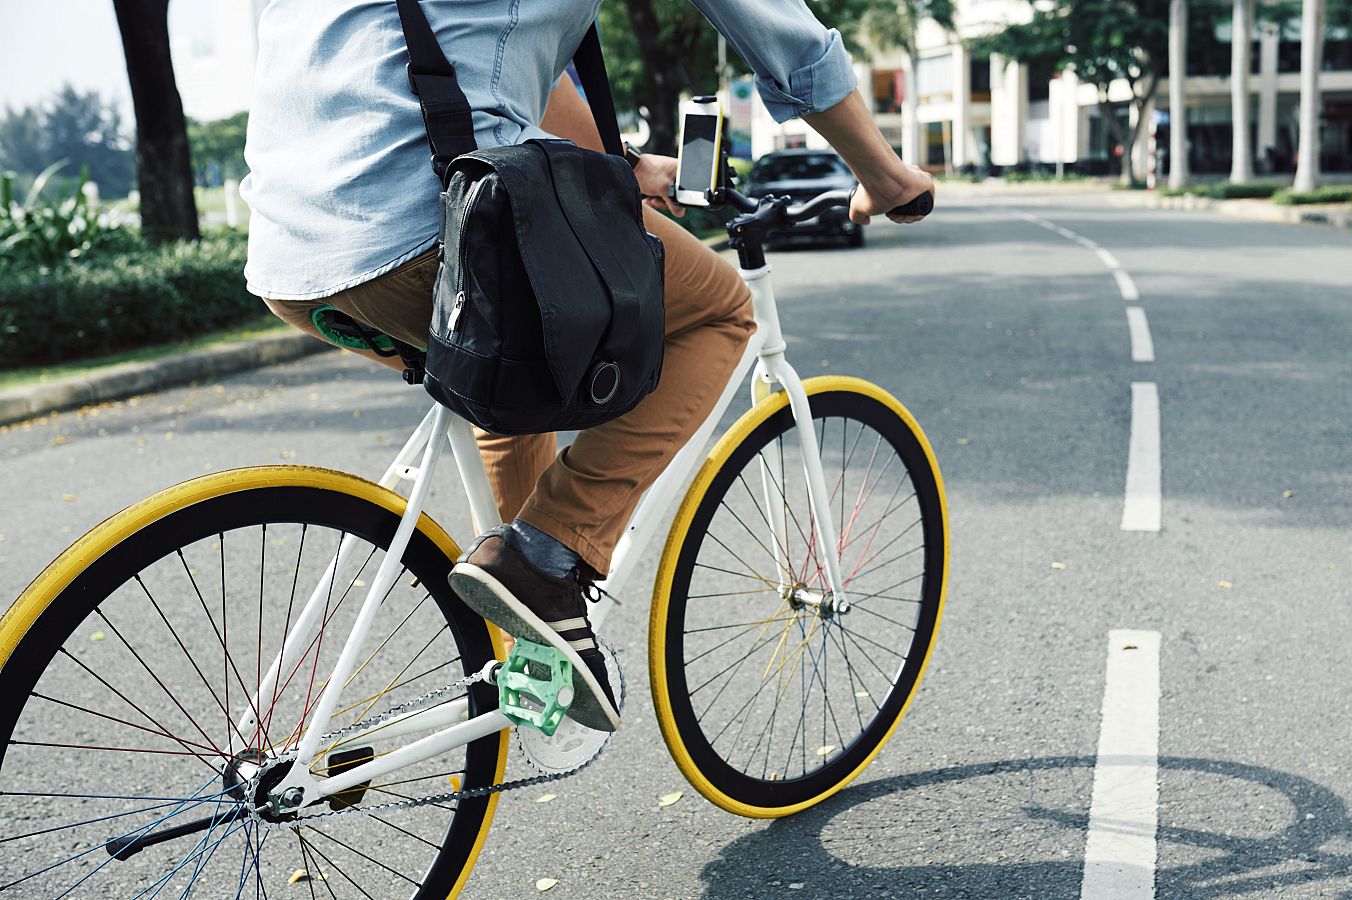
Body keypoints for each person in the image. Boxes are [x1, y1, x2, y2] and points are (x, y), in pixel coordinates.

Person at [242, 0, 934, 734]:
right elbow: (779, 31)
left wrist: (626, 167)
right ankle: (544, 558)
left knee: (518, 366)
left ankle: (535, 637)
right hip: (438, 223)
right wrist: (882, 174)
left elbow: (493, 55)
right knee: (724, 311)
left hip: (293, 260)